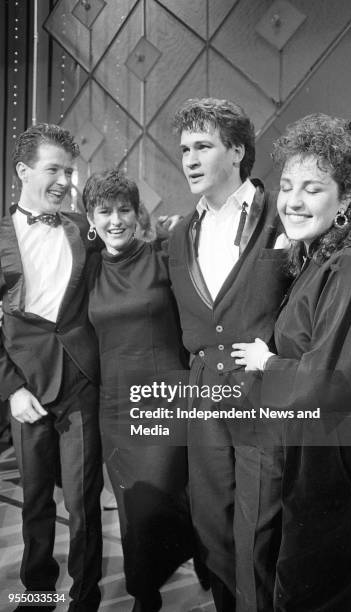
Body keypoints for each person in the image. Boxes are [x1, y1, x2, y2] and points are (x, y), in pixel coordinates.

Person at [232, 113, 351, 610]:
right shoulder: (317, 259)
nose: (292, 200)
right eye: (287, 185)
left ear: (346, 201)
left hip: (333, 463)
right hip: (310, 453)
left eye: (313, 188)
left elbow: (326, 383)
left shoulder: (349, 264)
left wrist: (268, 366)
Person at [168, 98, 291, 612]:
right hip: (203, 393)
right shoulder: (177, 234)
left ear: (237, 150)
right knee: (211, 522)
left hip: (260, 390)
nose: (190, 159)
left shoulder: (281, 216)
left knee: (258, 527)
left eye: (203, 146)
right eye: (184, 150)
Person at [0, 124, 103, 611]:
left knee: (84, 503)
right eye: (53, 169)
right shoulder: (0, 235)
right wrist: (11, 390)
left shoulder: (86, 228)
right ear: (23, 171)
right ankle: (38, 595)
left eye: (69, 170)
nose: (65, 179)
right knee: (36, 502)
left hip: (80, 378)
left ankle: (86, 598)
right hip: (27, 388)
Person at [83, 169, 196, 612]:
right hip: (115, 407)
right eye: (105, 211)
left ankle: (197, 555)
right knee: (131, 508)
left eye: (124, 209)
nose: (116, 220)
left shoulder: (162, 256)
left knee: (169, 499)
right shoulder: (88, 270)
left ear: (137, 214)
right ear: (91, 219)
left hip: (166, 399)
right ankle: (144, 595)